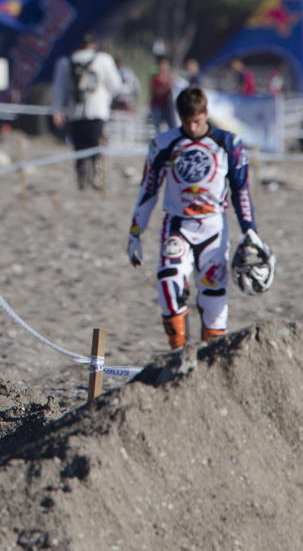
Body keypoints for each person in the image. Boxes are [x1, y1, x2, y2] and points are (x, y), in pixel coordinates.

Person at [127, 85, 272, 348]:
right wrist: (135, 233)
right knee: (169, 284)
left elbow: (241, 191)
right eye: (186, 122)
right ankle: (178, 351)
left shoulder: (229, 144)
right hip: (177, 224)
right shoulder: (163, 144)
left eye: (197, 121)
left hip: (214, 227)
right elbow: (148, 190)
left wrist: (250, 229)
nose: (192, 128)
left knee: (214, 298)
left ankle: (211, 360)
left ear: (206, 113)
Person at [51, 30, 124, 190]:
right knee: (96, 144)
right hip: (97, 111)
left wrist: (57, 110)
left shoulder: (66, 61)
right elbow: (116, 85)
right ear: (95, 44)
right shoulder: (103, 60)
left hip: (74, 111)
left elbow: (59, 89)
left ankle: (81, 177)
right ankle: (96, 177)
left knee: (79, 147)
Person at [148, 58, 176, 133]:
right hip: (158, 107)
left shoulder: (171, 78)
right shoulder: (155, 78)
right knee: (157, 128)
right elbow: (156, 91)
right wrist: (166, 85)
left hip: (168, 106)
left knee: (172, 127)